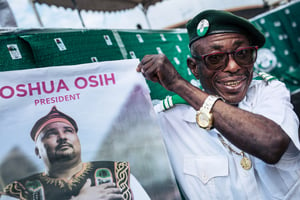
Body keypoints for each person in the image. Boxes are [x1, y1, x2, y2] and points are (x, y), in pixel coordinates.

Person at [137, 10, 300, 200]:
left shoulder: (269, 90)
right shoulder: (168, 119)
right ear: (194, 68)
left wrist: (178, 84)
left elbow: (271, 145)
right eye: (215, 58)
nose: (233, 66)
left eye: (243, 54)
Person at [1, 106, 150, 200]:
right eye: (51, 134)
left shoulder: (117, 172)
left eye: (68, 131)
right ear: (37, 151)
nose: (62, 137)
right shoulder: (18, 191)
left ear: (78, 141)